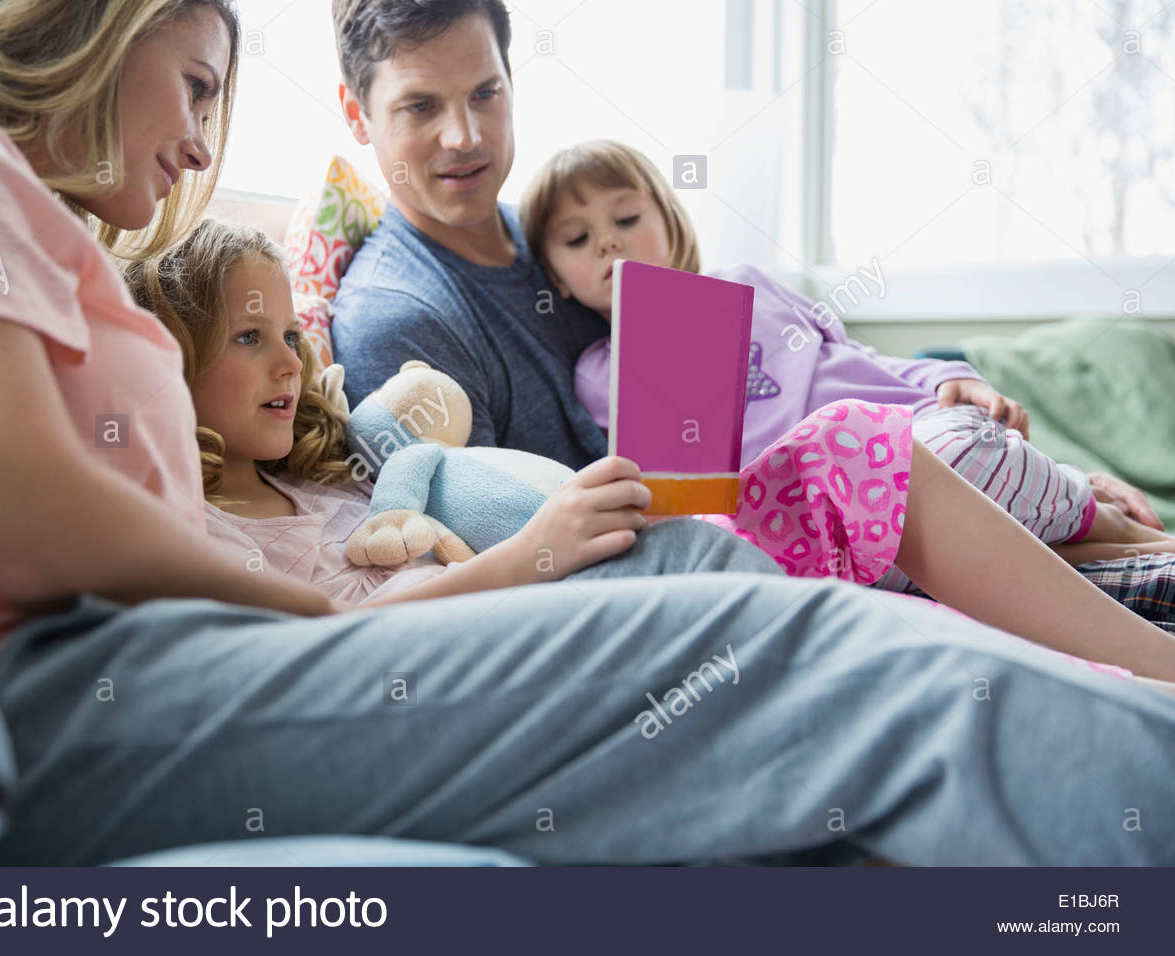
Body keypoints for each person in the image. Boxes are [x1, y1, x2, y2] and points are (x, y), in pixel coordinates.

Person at [0, 0, 1175, 868]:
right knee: (810, 648)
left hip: (148, 657)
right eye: (200, 86)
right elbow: (25, 519)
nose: (202, 140)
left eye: (487, 95)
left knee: (730, 578)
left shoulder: (19, 214)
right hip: (56, 695)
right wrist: (330, 625)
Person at [327, 0, 1175, 623]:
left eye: (485, 93)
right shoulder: (400, 317)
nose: (465, 138)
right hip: (701, 553)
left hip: (796, 471)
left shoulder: (544, 234)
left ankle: (1082, 514)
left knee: (946, 421)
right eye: (420, 106)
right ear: (356, 115)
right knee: (896, 459)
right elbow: (461, 542)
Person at [131, 217, 1175, 684]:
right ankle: (1141, 654)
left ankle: (1141, 644)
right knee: (871, 485)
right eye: (245, 337)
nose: (286, 361)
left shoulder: (328, 467)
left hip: (637, 525)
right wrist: (533, 549)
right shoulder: (200, 529)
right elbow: (340, 634)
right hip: (586, 592)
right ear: (164, 365)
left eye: (289, 333)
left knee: (861, 444)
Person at [518, 140, 1175, 580]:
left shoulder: (744, 283)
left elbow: (857, 356)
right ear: (560, 278)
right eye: (578, 239)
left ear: (668, 218)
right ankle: (1088, 520)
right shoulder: (598, 374)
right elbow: (659, 477)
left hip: (913, 435)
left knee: (954, 453)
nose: (607, 241)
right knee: (919, 543)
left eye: (626, 218)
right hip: (823, 510)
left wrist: (951, 377)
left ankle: (1122, 529)